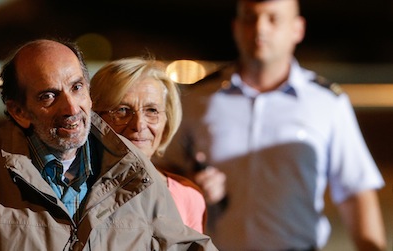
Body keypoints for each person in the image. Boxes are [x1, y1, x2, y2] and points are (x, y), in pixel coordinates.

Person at [0, 39, 217, 250]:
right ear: (19, 111)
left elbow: (184, 245)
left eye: (77, 87)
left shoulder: (130, 165)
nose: (71, 108)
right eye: (49, 96)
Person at [159, 0, 387, 250]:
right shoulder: (196, 100)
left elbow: (356, 190)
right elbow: (163, 173)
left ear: (297, 29)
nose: (260, 29)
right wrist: (190, 184)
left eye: (273, 18)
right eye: (250, 17)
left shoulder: (327, 103)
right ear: (235, 27)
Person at [90, 57, 206, 233]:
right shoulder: (74, 192)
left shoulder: (188, 197)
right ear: (94, 117)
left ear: (167, 121)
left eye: (152, 110)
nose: (139, 124)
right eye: (122, 110)